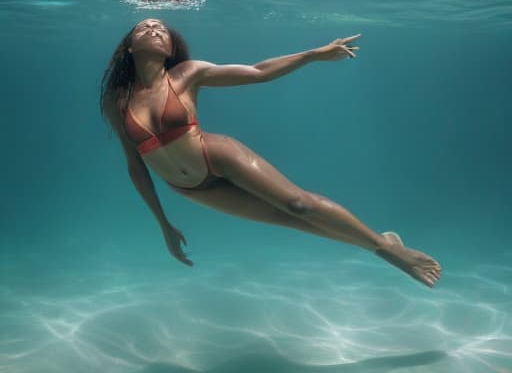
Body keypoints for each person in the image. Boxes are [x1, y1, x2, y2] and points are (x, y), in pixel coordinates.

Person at [100, 18, 442, 288]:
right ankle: (378, 243)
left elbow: (258, 72)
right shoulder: (117, 101)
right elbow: (136, 167)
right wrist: (164, 226)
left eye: (161, 27)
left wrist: (313, 55)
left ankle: (390, 251)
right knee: (284, 218)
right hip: (190, 188)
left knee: (298, 204)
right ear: (129, 46)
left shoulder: (187, 74)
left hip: (215, 156)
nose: (155, 29)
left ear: (171, 46)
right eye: (145, 26)